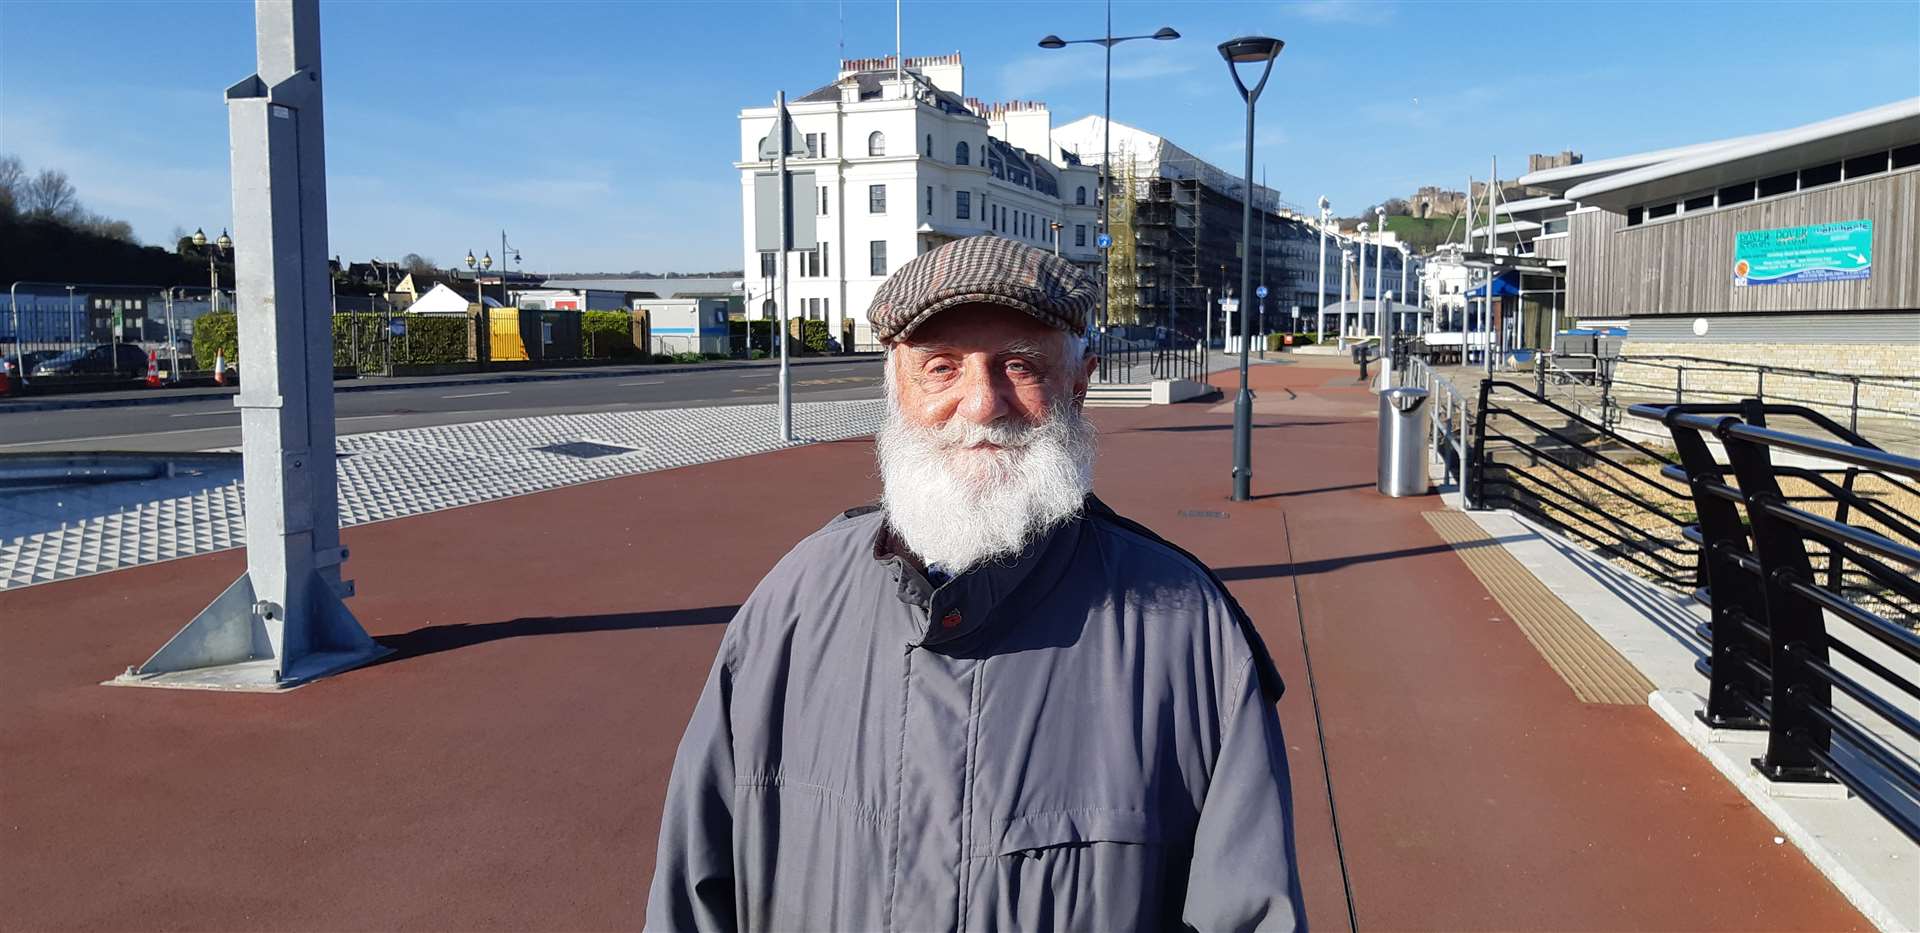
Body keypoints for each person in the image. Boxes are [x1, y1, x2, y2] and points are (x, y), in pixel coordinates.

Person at [647, 235, 1303, 932]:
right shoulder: (789, 607)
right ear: (897, 385)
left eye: (1019, 365)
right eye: (941, 367)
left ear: (1080, 383)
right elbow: (693, 897)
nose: (981, 403)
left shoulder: (1189, 632)